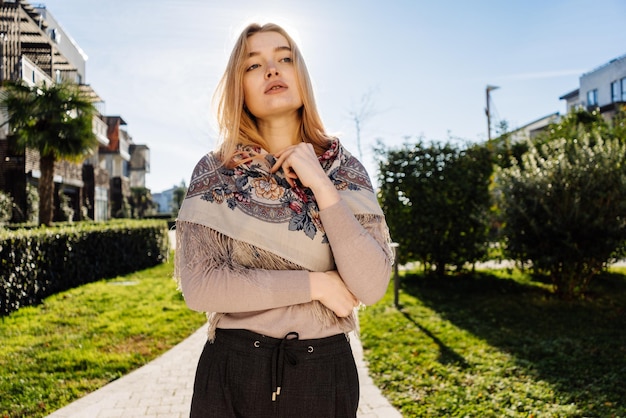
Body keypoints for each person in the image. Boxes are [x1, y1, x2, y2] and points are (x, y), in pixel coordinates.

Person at [175, 22, 394, 418]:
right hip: (232, 371)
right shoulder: (215, 170)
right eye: (253, 65)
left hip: (323, 372)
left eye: (284, 58)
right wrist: (317, 285)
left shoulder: (346, 170)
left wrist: (323, 189)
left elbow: (371, 285)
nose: (272, 70)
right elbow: (201, 286)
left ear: (301, 76)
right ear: (238, 87)